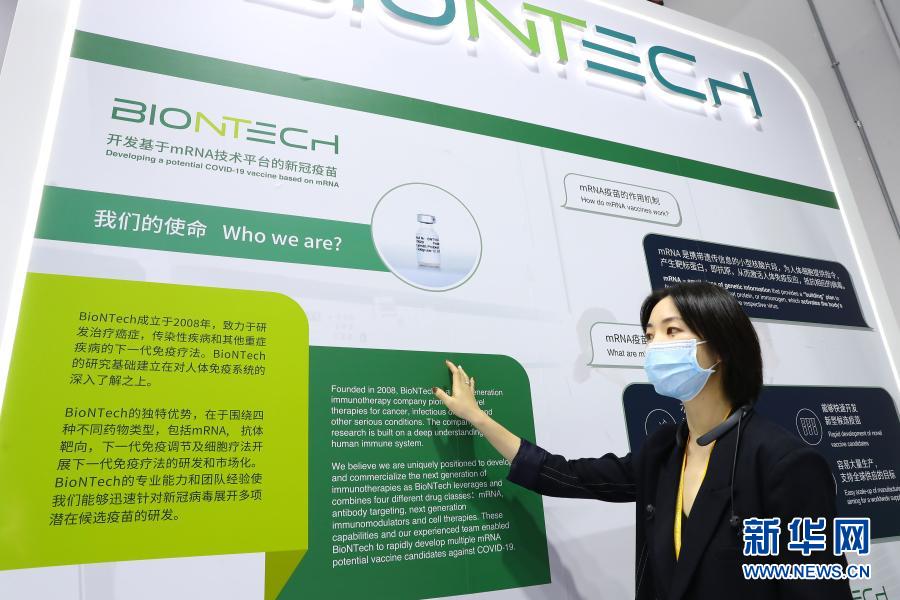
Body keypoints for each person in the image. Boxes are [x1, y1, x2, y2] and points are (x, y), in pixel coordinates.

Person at [432, 281, 853, 600]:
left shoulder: (783, 463)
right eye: (649, 336)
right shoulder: (662, 451)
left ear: (721, 347)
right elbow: (565, 475)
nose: (654, 347)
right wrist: (476, 417)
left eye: (672, 331)